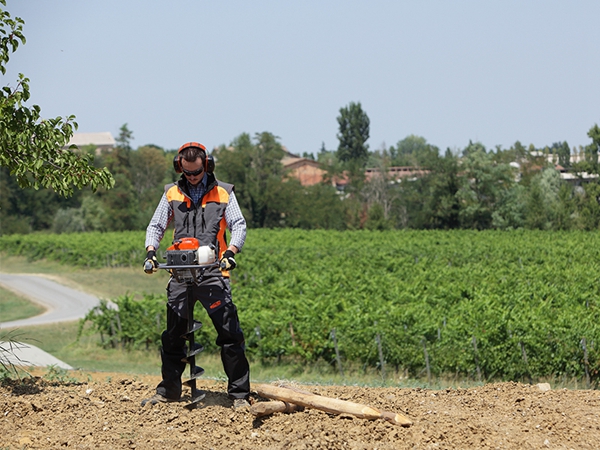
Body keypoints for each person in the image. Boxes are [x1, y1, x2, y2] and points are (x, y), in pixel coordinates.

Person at [141, 141, 251, 410]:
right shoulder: (172, 194)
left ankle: (239, 395)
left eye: (196, 172)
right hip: (180, 273)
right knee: (174, 335)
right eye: (187, 173)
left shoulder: (224, 193)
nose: (192, 177)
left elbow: (238, 224)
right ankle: (169, 391)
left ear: (207, 165)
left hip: (213, 272)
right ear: (180, 167)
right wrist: (151, 251)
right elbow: (156, 224)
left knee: (229, 333)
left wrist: (232, 251)